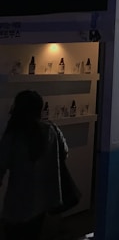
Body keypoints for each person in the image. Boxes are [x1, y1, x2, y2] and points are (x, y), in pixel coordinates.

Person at [0, 90, 68, 239]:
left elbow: (2, 163)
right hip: (44, 200)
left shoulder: (14, 134)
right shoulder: (51, 130)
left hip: (17, 201)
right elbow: (64, 153)